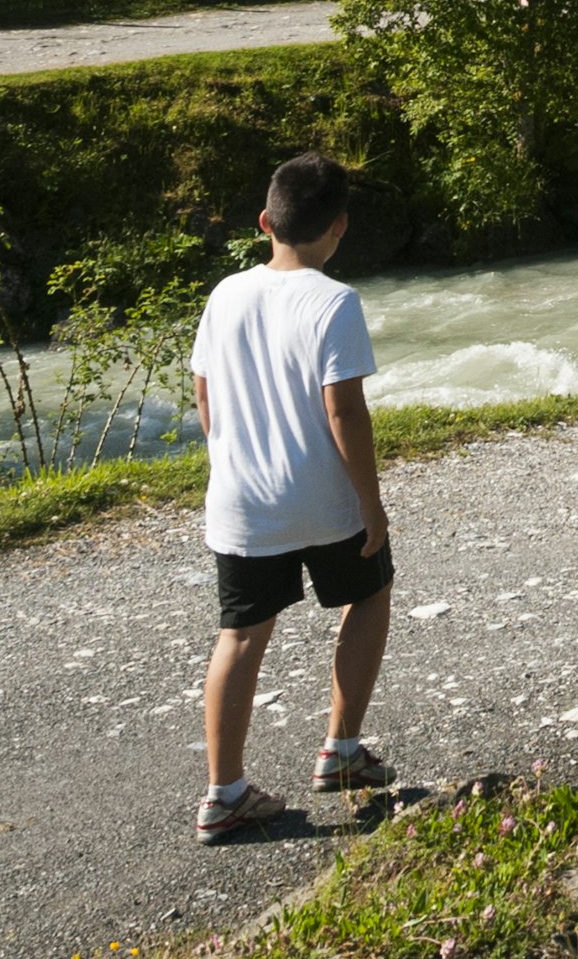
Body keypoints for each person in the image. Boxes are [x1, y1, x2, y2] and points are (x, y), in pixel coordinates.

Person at [191, 151, 394, 844]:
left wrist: (228, 457)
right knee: (368, 594)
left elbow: (204, 392)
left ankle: (224, 792)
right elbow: (344, 411)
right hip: (320, 495)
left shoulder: (225, 293)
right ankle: (340, 751)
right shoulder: (335, 299)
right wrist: (371, 502)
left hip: (242, 499)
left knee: (242, 633)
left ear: (263, 222)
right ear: (339, 228)